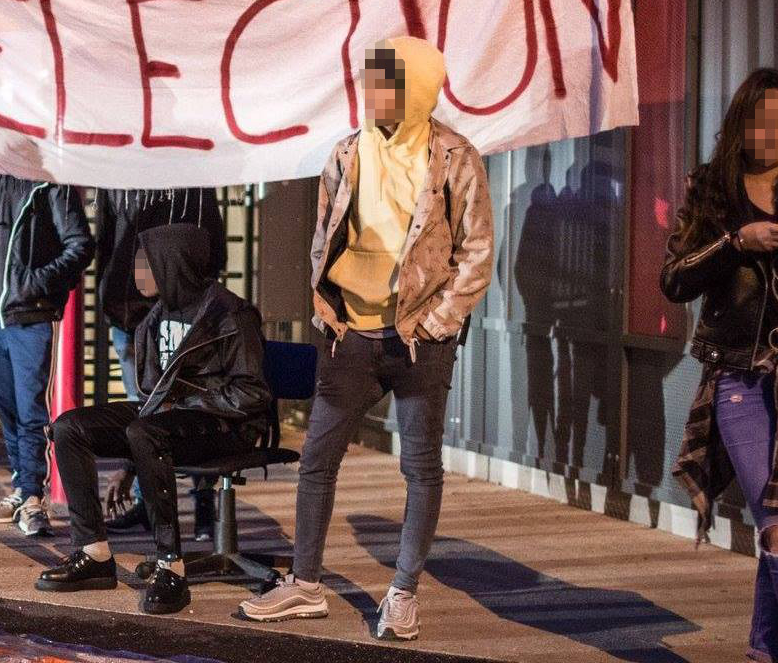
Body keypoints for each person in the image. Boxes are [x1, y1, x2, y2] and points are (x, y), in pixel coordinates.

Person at [241, 37, 493, 641]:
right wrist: (328, 312)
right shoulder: (348, 152)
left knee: (421, 466)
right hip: (351, 333)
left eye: (389, 84)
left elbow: (476, 251)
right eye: (372, 82)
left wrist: (437, 323)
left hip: (417, 341)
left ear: (418, 91)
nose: (375, 94)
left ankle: (403, 592)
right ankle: (304, 585)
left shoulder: (454, 157)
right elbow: (324, 233)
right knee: (318, 460)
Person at [661, 68, 778, 663]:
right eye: (764, 118)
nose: (775, 132)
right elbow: (674, 279)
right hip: (740, 378)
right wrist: (736, 242)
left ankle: (763, 653)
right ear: (742, 122)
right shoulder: (710, 189)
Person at [34, 223, 270, 615]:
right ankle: (93, 554)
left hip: (226, 425)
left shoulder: (229, 314)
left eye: (146, 262)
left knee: (147, 430)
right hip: (164, 420)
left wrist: (187, 405)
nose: (138, 272)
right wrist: (129, 464)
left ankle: (170, 566)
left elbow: (253, 393)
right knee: (69, 427)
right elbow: (149, 399)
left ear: (171, 263)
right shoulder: (154, 318)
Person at [0, 166, 94, 537]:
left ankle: (35, 497)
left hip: (31, 316)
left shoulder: (49, 179)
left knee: (32, 411)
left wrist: (34, 284)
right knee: (7, 408)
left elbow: (80, 245)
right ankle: (23, 489)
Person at [93, 186, 226, 533]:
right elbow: (106, 243)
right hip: (129, 313)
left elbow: (213, 247)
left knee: (195, 404)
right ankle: (147, 502)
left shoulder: (193, 179)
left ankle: (203, 506)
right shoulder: (114, 180)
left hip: (182, 313)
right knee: (143, 409)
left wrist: (195, 300)